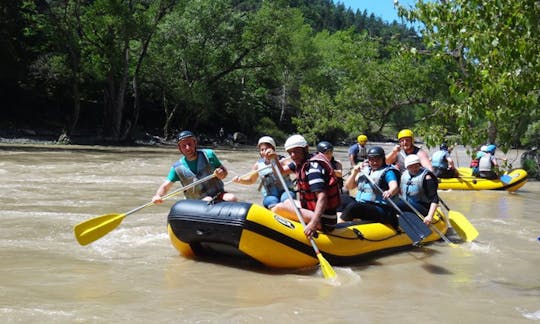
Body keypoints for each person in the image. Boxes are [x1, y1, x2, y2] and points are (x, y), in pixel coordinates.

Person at [271, 135, 341, 238]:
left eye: (296, 151)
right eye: (290, 152)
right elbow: (280, 172)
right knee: (287, 202)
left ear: (306, 149)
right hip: (314, 212)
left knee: (279, 208)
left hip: (324, 220)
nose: (293, 155)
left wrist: (313, 224)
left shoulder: (313, 169)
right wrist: (274, 159)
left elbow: (322, 197)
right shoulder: (300, 162)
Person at [152, 130, 237, 203]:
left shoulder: (209, 154)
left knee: (232, 198)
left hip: (218, 195)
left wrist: (221, 174)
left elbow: (224, 172)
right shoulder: (177, 168)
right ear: (180, 148)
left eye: (189, 144)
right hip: (195, 203)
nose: (188, 148)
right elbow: (166, 186)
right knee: (207, 200)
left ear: (195, 143)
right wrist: (157, 196)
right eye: (184, 146)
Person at [340, 146, 400, 229]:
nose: (375, 162)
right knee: (341, 198)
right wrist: (354, 173)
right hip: (364, 204)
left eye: (377, 159)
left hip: (381, 209)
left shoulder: (388, 172)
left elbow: (394, 186)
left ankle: (339, 228)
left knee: (354, 207)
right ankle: (336, 220)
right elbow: (348, 187)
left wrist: (390, 191)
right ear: (368, 159)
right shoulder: (365, 170)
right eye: (372, 159)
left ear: (383, 159)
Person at [232, 136, 292, 209]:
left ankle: (289, 209)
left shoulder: (282, 160)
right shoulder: (258, 165)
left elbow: (294, 168)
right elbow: (251, 180)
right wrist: (240, 180)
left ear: (273, 149)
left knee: (286, 199)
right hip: (270, 195)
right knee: (272, 201)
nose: (264, 152)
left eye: (266, 149)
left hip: (286, 191)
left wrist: (275, 159)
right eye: (261, 150)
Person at [397, 154, 439, 225]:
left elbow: (435, 199)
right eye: (411, 167)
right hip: (408, 205)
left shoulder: (427, 178)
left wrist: (429, 216)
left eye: (416, 166)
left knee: (398, 204)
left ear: (420, 165)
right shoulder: (404, 175)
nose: (414, 169)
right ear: (407, 167)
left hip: (423, 208)